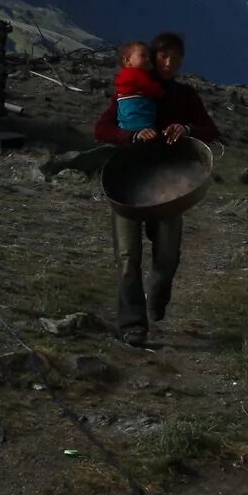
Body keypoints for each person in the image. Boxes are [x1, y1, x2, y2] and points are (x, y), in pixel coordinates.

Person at [93, 29, 220, 347]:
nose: (168, 63)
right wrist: (131, 137)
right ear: (152, 58)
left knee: (167, 255)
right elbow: (102, 128)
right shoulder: (132, 92)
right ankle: (133, 324)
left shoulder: (185, 97)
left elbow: (211, 130)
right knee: (127, 256)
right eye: (162, 56)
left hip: (168, 187)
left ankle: (158, 295)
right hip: (128, 181)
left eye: (175, 58)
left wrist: (187, 128)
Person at [111, 41, 165, 135]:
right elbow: (152, 89)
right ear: (128, 60)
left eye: (149, 57)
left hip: (125, 114)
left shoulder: (123, 75)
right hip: (138, 112)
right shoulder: (136, 74)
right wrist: (159, 89)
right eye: (143, 56)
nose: (148, 59)